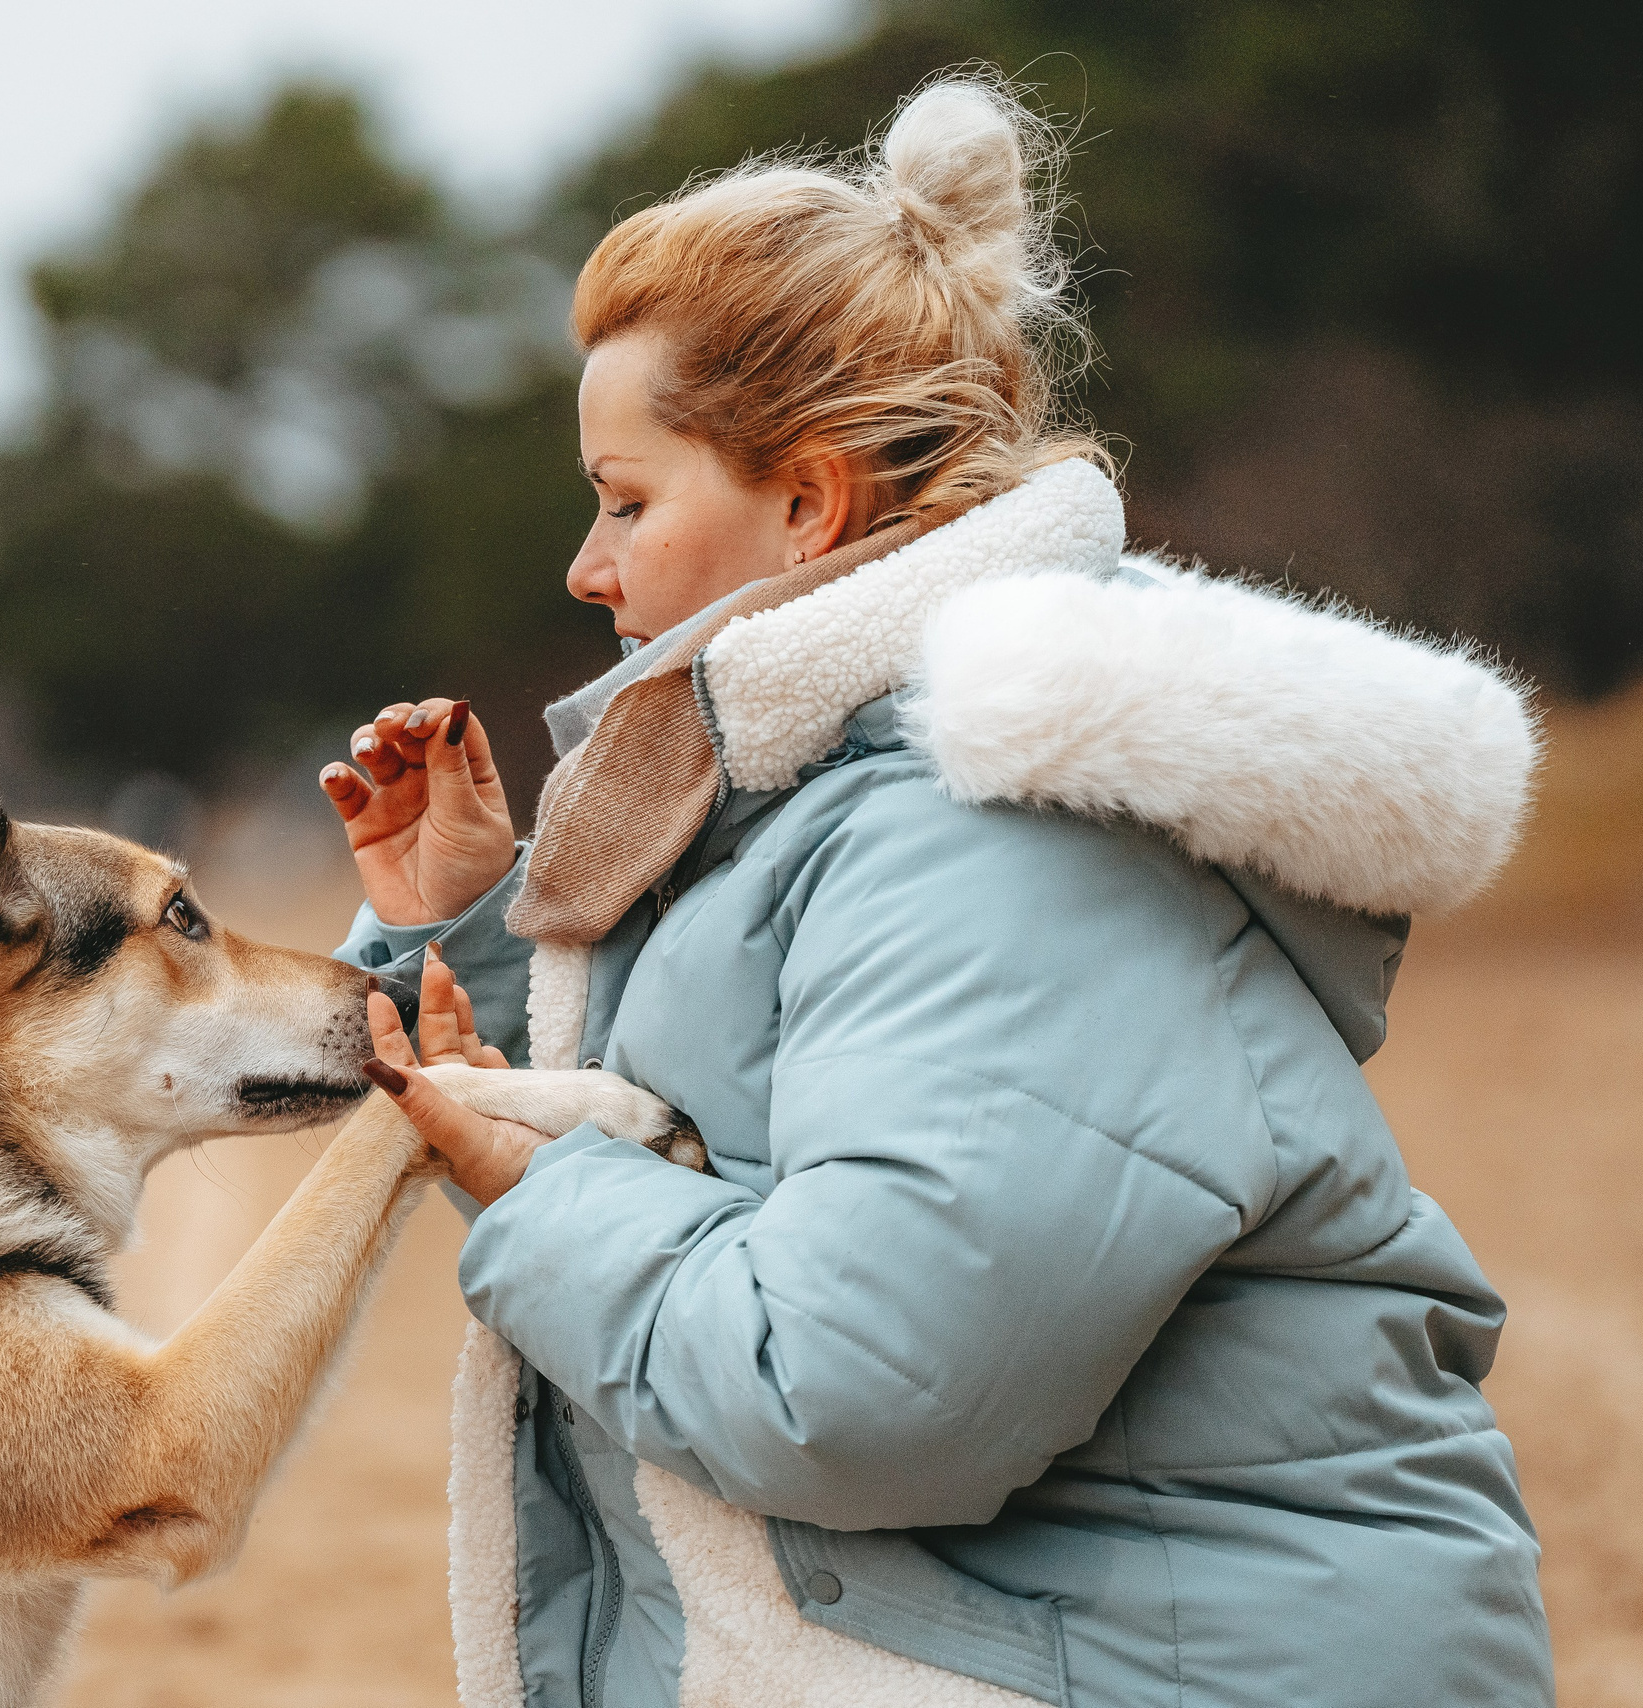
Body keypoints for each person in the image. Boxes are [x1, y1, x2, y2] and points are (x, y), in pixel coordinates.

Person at [320, 71, 1553, 1708]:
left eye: (626, 500)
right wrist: (465, 936)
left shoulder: (1003, 838)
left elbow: (853, 1393)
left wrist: (543, 1197)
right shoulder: (820, 801)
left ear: (808, 502)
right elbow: (734, 1130)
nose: (586, 564)